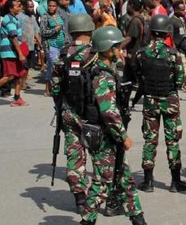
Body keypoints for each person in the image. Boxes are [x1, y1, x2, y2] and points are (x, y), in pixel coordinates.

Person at [80, 26, 145, 225]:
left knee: (125, 179)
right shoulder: (103, 76)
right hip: (105, 136)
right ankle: (87, 221)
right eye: (117, 47)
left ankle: (138, 218)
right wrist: (123, 136)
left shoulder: (103, 70)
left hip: (109, 135)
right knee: (102, 182)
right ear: (108, 49)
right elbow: (108, 111)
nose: (121, 50)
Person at [134, 15, 186, 194]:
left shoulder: (141, 53)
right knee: (172, 141)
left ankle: (148, 181)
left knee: (149, 141)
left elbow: (138, 76)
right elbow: (181, 80)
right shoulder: (174, 54)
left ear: (151, 33)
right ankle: (175, 181)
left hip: (150, 100)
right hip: (170, 101)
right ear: (167, 33)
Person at [50, 13, 96, 214]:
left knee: (74, 154)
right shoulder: (94, 53)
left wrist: (61, 105)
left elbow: (54, 84)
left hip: (69, 110)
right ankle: (104, 196)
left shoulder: (63, 53)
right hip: (93, 113)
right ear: (89, 30)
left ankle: (79, 199)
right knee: (101, 154)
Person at [0, 0, 28, 106]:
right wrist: (21, 53)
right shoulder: (9, 19)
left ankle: (17, 98)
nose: (19, 8)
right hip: (10, 52)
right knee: (10, 76)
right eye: (17, 6)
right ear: (10, 8)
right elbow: (13, 37)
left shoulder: (14, 18)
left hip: (14, 52)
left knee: (19, 74)